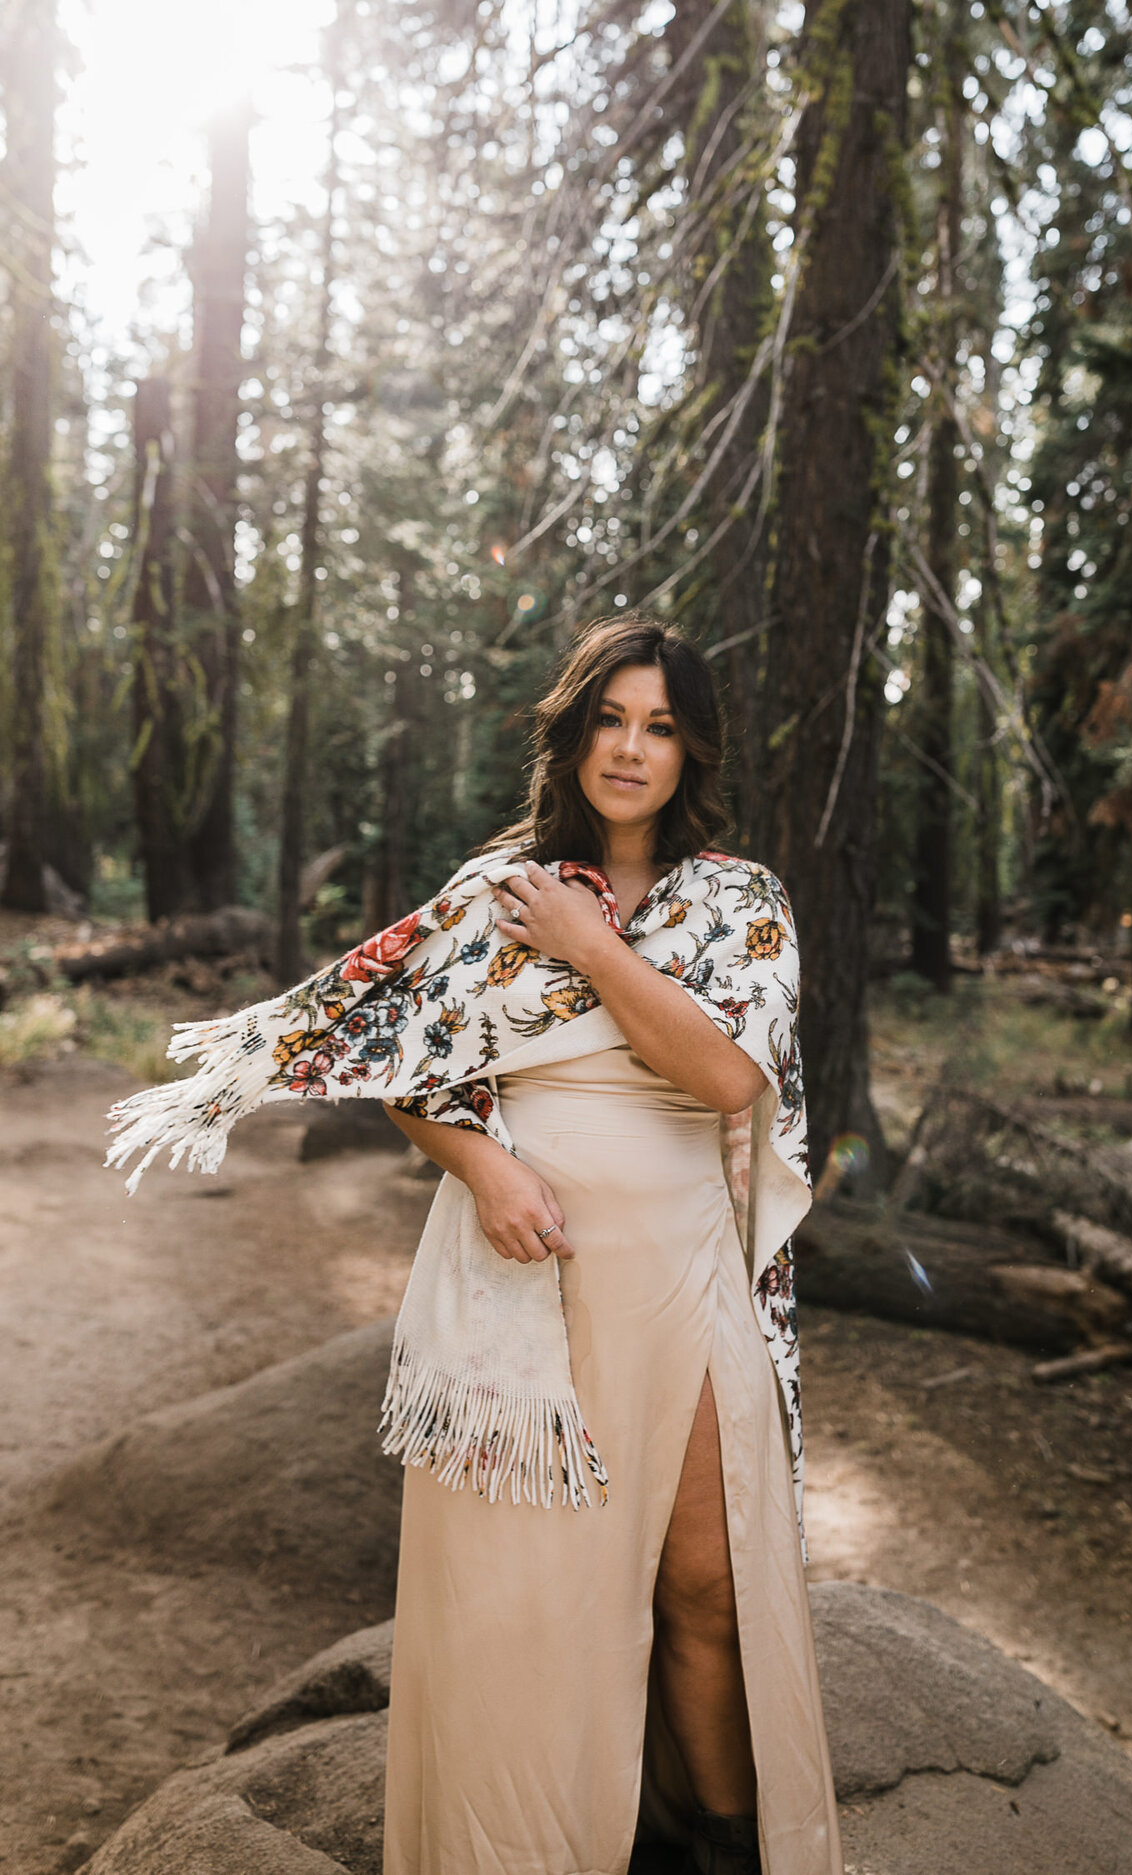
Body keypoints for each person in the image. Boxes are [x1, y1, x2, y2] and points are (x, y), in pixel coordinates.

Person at [104, 615, 841, 1870]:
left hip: (679, 1267)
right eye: (611, 716)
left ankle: (714, 1845)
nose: (630, 747)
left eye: (660, 726)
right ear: (573, 732)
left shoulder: (739, 901)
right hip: (525, 1272)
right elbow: (409, 1070)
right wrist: (484, 1162)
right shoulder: (496, 891)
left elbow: (725, 1077)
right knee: (524, 1605)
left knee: (706, 1589)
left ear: (690, 753)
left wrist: (591, 945)